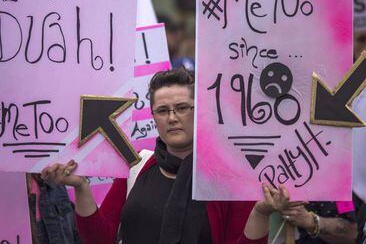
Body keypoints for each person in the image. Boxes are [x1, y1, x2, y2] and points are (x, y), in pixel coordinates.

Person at [41, 68, 293, 244]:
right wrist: (82, 188)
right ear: (153, 116)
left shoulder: (228, 178)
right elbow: (100, 238)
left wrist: (260, 213)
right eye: (162, 110)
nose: (172, 117)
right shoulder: (136, 166)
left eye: (182, 108)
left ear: (201, 110)